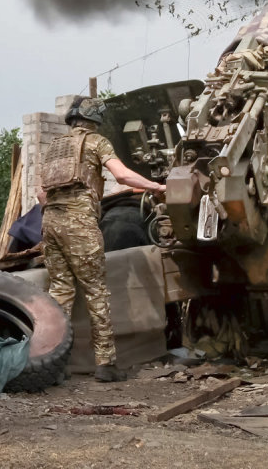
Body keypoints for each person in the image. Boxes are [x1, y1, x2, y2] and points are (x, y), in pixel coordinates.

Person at [37, 96, 167, 382]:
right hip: (79, 223)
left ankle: (54, 364)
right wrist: (156, 186)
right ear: (95, 119)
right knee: (96, 291)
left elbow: (40, 194)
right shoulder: (96, 142)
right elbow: (121, 176)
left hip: (50, 222)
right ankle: (105, 365)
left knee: (60, 292)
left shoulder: (55, 146)